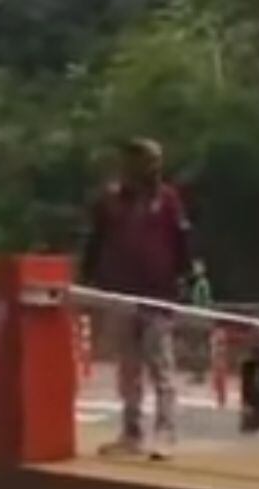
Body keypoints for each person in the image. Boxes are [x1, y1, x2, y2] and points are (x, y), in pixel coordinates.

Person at [81, 138, 192, 461]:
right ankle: (131, 433)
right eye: (145, 161)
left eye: (156, 161)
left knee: (161, 367)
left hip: (158, 294)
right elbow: (95, 241)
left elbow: (182, 242)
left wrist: (186, 279)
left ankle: (165, 433)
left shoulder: (168, 199)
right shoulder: (111, 201)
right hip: (121, 293)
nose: (152, 168)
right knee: (128, 369)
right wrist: (89, 279)